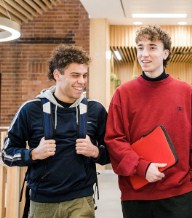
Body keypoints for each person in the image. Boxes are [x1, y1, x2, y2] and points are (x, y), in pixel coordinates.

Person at [104, 25, 192, 218]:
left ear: (165, 53)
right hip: (136, 194)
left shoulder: (185, 92)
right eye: (140, 47)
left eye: (152, 47)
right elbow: (114, 139)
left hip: (178, 193)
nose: (144, 54)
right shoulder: (123, 93)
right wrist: (142, 167)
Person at [1, 44, 110, 218]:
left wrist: (95, 151)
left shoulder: (95, 110)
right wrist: (34, 154)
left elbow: (112, 154)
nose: (82, 81)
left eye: (84, 75)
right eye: (75, 75)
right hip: (42, 202)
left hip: (81, 200)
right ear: (57, 75)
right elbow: (6, 154)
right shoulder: (30, 110)